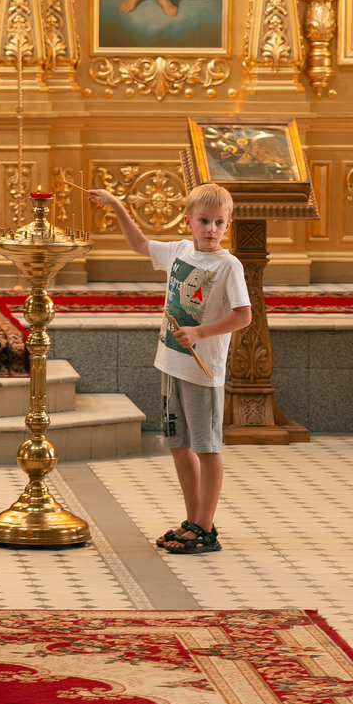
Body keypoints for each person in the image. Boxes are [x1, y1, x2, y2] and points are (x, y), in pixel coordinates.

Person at [86, 181, 252, 557]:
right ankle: (193, 520)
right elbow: (139, 245)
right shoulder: (178, 251)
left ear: (229, 225)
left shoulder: (229, 266)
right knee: (179, 446)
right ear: (189, 221)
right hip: (171, 365)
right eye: (204, 221)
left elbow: (243, 316)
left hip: (203, 372)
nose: (211, 230)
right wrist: (116, 205)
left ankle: (206, 529)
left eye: (219, 223)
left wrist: (200, 332)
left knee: (206, 448)